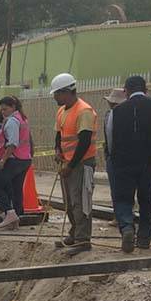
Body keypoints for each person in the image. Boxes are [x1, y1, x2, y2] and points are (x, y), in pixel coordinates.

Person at [105, 75, 151, 252]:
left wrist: (114, 158)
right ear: (146, 89)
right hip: (150, 161)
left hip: (123, 161)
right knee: (146, 197)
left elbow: (110, 138)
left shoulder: (116, 111)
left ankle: (127, 228)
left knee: (123, 198)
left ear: (125, 92)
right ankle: (144, 237)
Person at [50, 74, 98, 254]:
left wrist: (70, 166)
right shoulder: (62, 111)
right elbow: (59, 135)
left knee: (81, 201)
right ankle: (75, 231)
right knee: (69, 202)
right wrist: (58, 150)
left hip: (81, 163)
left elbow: (84, 141)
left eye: (57, 93)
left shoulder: (84, 111)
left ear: (66, 92)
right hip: (67, 162)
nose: (55, 97)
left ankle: (83, 239)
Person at [0, 96, 31, 231]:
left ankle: (10, 212)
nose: (3, 112)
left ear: (13, 107)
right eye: (1, 110)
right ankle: (16, 218)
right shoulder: (22, 119)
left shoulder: (12, 121)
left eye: (5, 109)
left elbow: (12, 143)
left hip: (14, 159)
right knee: (16, 189)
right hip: (25, 159)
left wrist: (3, 160)